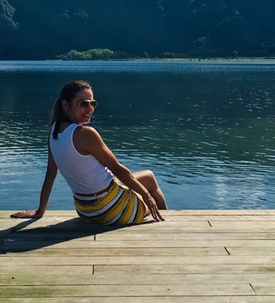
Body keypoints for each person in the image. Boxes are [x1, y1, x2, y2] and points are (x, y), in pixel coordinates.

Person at [12, 80, 166, 225]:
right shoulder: (85, 133)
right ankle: (168, 222)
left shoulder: (54, 132)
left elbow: (51, 173)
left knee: (148, 177)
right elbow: (117, 169)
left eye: (93, 103)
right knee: (150, 194)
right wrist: (146, 196)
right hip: (111, 210)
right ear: (66, 105)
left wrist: (40, 211)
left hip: (86, 211)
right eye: (83, 103)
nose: (90, 109)